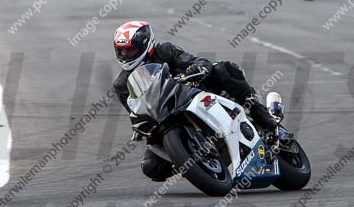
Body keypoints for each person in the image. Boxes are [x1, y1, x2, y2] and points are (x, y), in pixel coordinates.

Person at [111, 21, 279, 182]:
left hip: (194, 93)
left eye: (130, 50)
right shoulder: (121, 85)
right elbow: (135, 110)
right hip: (163, 115)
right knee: (151, 167)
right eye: (122, 51)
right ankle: (193, 162)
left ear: (145, 45)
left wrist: (198, 69)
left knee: (223, 69)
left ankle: (259, 110)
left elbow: (198, 61)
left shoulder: (165, 51)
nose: (125, 55)